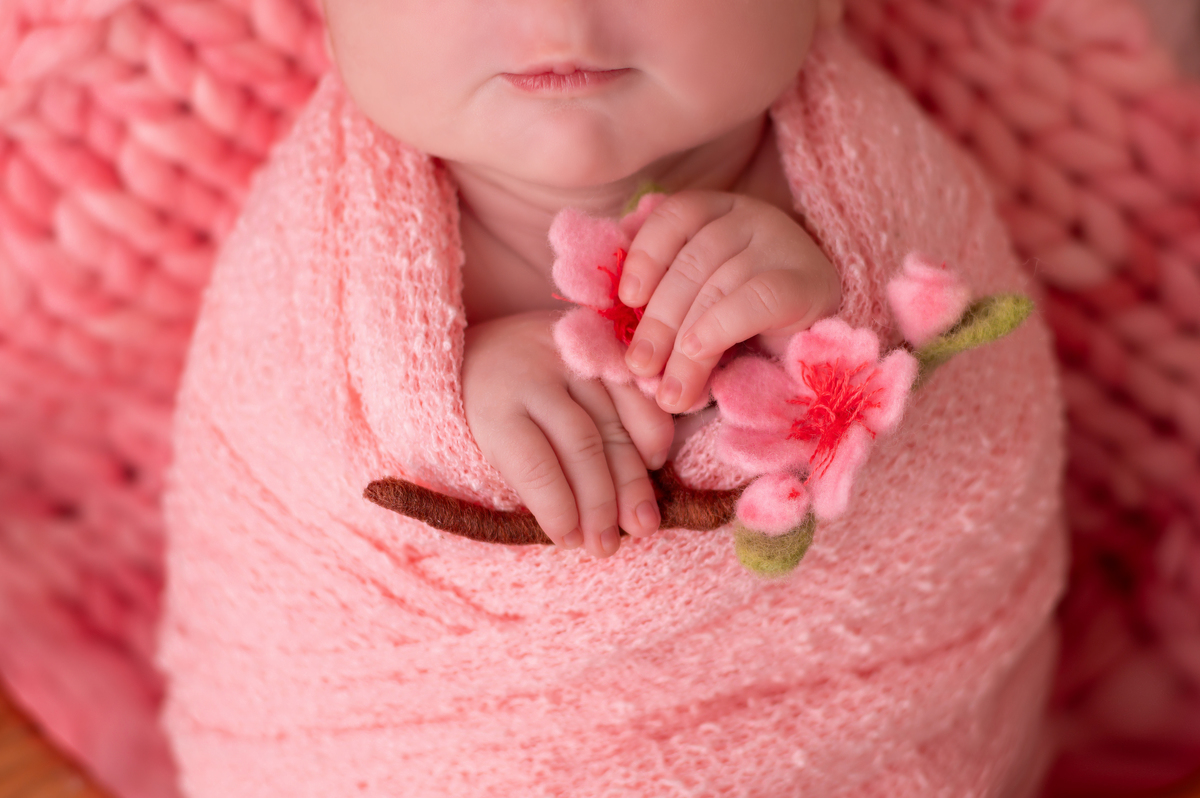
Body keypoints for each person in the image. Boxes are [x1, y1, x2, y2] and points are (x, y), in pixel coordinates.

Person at [159, 1, 1066, 795]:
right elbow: (285, 496)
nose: (557, 14)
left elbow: (968, 448)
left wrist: (835, 319)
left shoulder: (881, 187)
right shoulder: (318, 275)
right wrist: (444, 413)